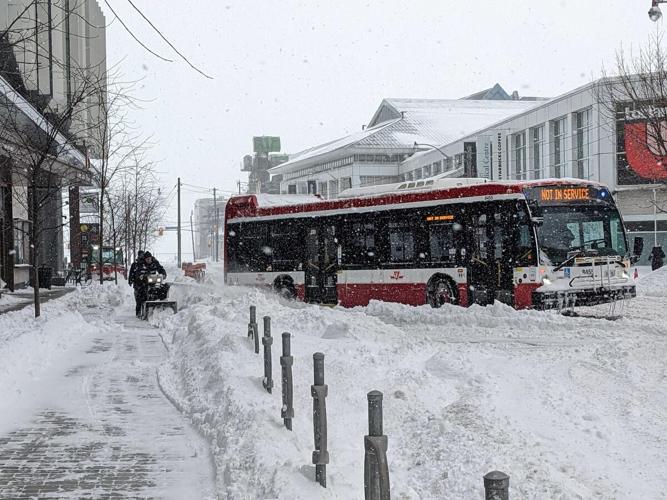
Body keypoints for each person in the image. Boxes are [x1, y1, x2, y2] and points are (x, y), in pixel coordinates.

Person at [133, 251, 167, 317]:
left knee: (161, 289)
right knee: (141, 295)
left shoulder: (155, 263)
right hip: (142, 283)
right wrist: (143, 276)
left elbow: (161, 269)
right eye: (147, 259)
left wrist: (163, 274)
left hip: (153, 280)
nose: (148, 260)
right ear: (144, 259)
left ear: (151, 258)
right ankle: (139, 312)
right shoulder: (140, 264)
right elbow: (138, 274)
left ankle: (161, 303)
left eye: (149, 258)